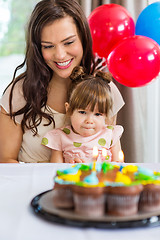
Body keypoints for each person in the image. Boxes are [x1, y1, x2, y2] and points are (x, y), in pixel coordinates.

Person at [0, 0, 124, 163]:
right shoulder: (20, 92)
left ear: (83, 39)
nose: (60, 55)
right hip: (34, 187)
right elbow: (5, 161)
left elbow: (110, 152)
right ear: (37, 49)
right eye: (48, 46)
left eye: (69, 42)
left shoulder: (104, 90)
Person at [42, 66, 124, 163]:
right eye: (82, 112)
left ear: (105, 115)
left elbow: (119, 167)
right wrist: (70, 167)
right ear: (69, 109)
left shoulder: (111, 135)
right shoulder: (60, 137)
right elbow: (54, 170)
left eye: (97, 114)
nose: (89, 120)